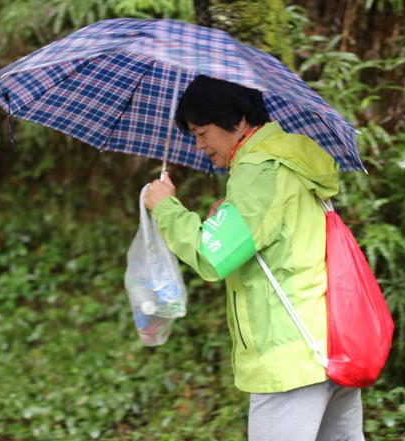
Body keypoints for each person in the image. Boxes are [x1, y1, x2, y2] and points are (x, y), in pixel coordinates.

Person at [144, 75, 364, 441]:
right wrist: (228, 212)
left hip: (288, 359)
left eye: (202, 132)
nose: (200, 146)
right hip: (328, 343)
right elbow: (273, 236)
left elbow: (212, 257)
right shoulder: (288, 161)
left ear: (238, 120)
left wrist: (165, 207)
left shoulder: (258, 171)